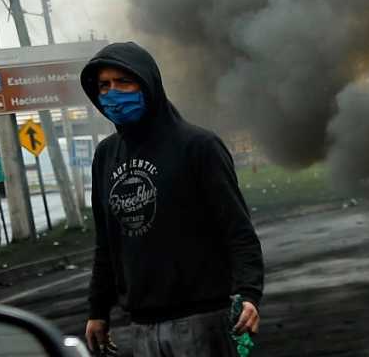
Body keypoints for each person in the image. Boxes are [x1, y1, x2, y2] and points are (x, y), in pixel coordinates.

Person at [81, 42, 264, 357]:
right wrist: (98, 310)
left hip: (201, 320)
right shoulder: (106, 155)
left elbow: (237, 228)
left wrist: (249, 293)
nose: (113, 93)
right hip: (140, 326)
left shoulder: (198, 146)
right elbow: (107, 244)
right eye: (104, 86)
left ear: (148, 83)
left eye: (123, 81)